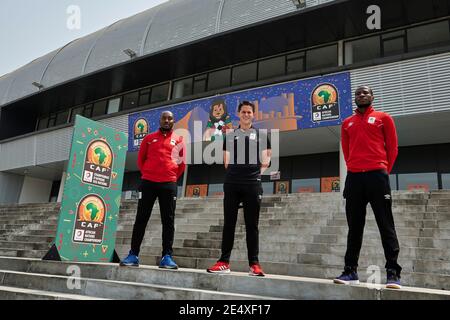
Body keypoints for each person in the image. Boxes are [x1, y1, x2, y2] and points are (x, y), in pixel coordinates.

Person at [334, 86, 402, 289]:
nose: (361, 95)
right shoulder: (347, 122)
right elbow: (346, 151)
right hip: (354, 178)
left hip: (377, 176)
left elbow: (393, 147)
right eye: (358, 93)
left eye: (365, 93)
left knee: (385, 224)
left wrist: (381, 170)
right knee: (354, 227)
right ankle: (350, 271)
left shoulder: (384, 118)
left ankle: (393, 272)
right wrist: (355, 168)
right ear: (354, 98)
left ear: (372, 96)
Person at [207, 101, 271, 276]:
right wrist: (237, 172)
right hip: (232, 183)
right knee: (229, 223)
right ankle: (223, 262)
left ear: (253, 115)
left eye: (249, 112)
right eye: (243, 112)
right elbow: (226, 160)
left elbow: (266, 160)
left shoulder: (261, 135)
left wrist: (254, 174)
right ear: (238, 114)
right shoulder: (230, 135)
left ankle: (254, 264)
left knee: (252, 225)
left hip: (252, 184)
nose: (246, 114)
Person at [120, 111, 185, 269]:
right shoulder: (149, 139)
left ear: (173, 121)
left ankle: (167, 257)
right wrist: (149, 174)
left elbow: (182, 164)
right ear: (160, 120)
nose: (167, 120)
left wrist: (170, 176)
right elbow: (141, 160)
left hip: (168, 184)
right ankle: (133, 254)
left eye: (170, 118)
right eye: (164, 118)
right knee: (141, 218)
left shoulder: (179, 140)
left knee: (168, 221)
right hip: (148, 183)